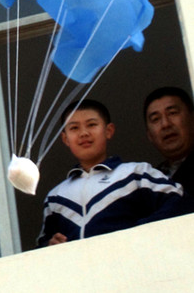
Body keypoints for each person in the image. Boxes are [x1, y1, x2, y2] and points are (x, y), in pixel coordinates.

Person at [37, 99, 191, 247]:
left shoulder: (136, 174)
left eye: (91, 124)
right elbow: (41, 247)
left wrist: (141, 231)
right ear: (65, 139)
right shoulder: (55, 198)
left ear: (108, 131)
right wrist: (50, 245)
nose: (84, 133)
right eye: (74, 128)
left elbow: (180, 202)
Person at [143, 86, 194, 195]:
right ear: (150, 136)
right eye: (156, 119)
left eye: (172, 113)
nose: (165, 124)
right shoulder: (150, 182)